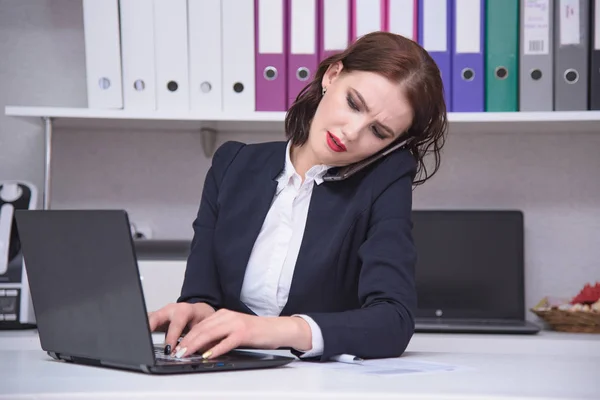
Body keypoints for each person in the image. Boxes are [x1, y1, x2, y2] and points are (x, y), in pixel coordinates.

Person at [148, 31, 448, 362]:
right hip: (221, 372)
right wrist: (195, 313)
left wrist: (273, 331)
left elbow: (394, 320)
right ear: (332, 77)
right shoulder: (232, 163)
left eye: (378, 132)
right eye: (353, 103)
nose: (351, 132)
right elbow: (200, 295)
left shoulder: (382, 183)